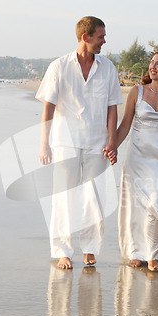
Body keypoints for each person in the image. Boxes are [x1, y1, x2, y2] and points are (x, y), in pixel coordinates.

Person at [36, 16, 123, 270]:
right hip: (66, 142)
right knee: (64, 198)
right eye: (100, 36)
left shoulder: (108, 68)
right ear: (85, 37)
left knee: (95, 199)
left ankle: (90, 249)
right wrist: (44, 142)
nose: (104, 41)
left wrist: (112, 142)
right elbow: (48, 107)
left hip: (98, 144)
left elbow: (112, 108)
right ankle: (63, 251)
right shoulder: (59, 67)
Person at [108, 49, 158, 272]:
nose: (152, 67)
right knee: (135, 206)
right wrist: (112, 146)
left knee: (156, 204)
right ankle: (136, 252)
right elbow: (125, 125)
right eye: (151, 63)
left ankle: (153, 253)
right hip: (136, 157)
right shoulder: (137, 92)